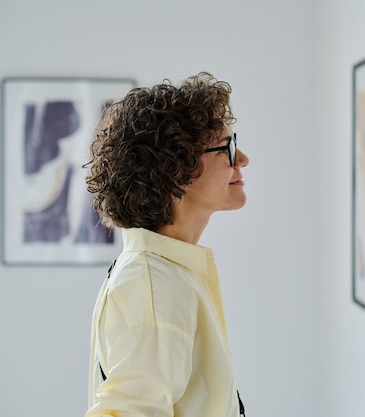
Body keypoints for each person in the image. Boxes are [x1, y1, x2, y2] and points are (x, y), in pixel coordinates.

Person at [83, 72, 249, 417]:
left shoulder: (165, 272)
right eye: (227, 147)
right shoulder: (155, 286)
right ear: (176, 170)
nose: (242, 158)